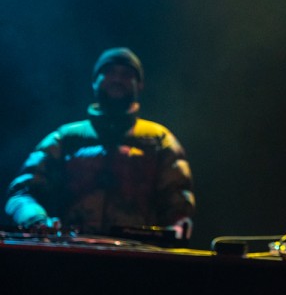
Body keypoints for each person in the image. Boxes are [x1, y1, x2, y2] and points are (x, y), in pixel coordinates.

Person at [5, 47, 195, 238]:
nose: (117, 79)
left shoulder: (159, 140)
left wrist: (178, 229)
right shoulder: (67, 138)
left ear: (140, 85)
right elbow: (21, 193)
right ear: (94, 82)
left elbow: (179, 207)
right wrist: (36, 220)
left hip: (138, 257)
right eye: (109, 72)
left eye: (126, 74)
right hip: (72, 254)